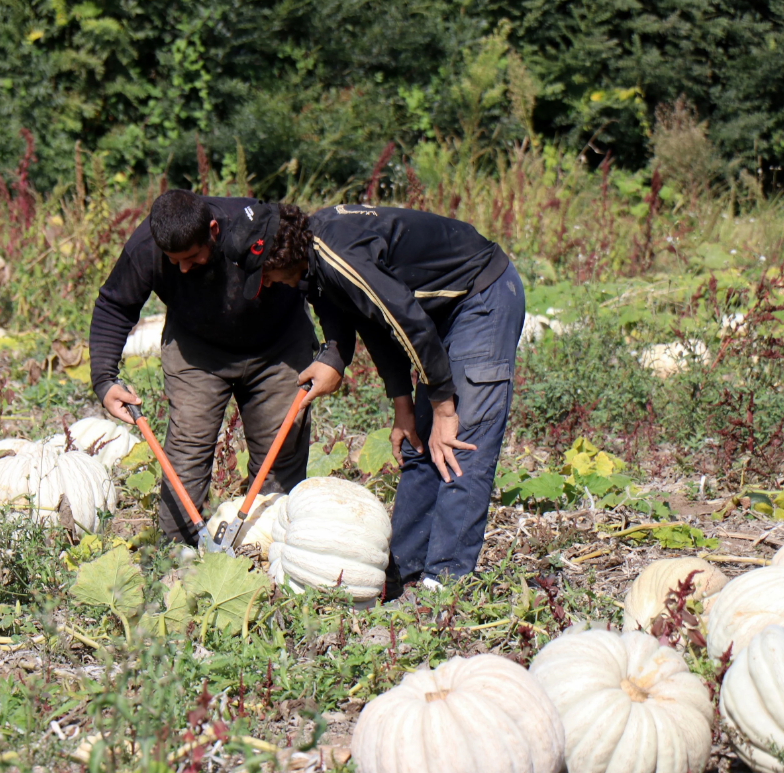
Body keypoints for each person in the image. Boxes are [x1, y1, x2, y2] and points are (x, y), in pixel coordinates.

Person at [234, 202, 525, 590]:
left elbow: (406, 322)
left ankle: (447, 585)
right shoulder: (313, 266)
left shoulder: (340, 256)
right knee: (418, 445)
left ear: (279, 253)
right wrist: (404, 408)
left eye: (265, 274)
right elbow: (375, 326)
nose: (267, 284)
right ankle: (400, 574)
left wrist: (443, 406)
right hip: (435, 312)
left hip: (480, 297)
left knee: (459, 442)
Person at [89, 191, 340, 544]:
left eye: (191, 256)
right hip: (197, 350)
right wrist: (104, 379)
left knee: (279, 457)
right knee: (186, 454)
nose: (183, 268)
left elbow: (318, 276)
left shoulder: (255, 226)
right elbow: (115, 305)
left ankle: (269, 552)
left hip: (278, 345)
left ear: (212, 229)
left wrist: (333, 354)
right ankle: (176, 556)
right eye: (173, 260)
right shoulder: (146, 246)